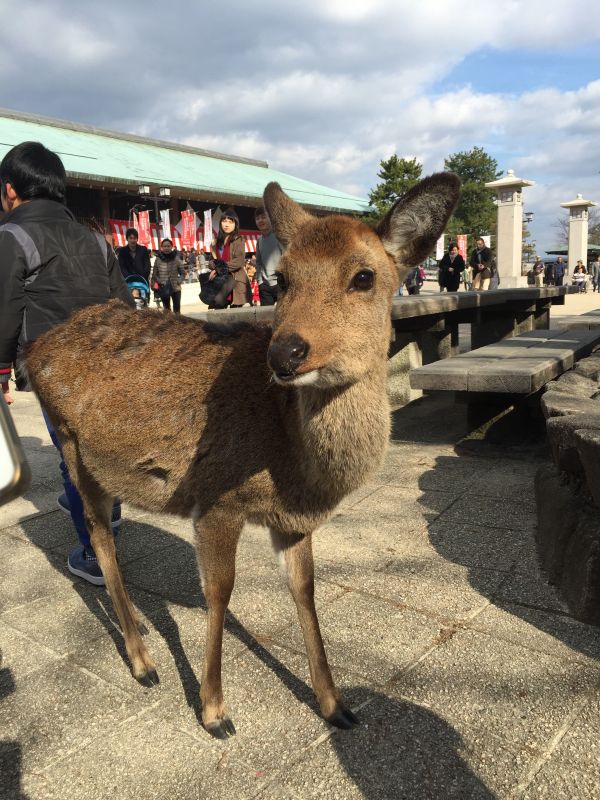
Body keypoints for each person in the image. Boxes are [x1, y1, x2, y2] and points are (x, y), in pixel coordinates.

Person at [0, 141, 135, 585]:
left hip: (56, 368)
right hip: (108, 363)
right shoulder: (96, 239)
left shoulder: (12, 237)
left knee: (74, 457)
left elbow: (4, 309)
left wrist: (0, 371)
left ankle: (95, 554)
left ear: (9, 191)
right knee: (88, 447)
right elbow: (124, 307)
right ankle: (106, 506)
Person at [210, 208, 251, 307]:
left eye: (230, 222)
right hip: (220, 281)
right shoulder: (216, 242)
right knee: (218, 309)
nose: (227, 224)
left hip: (236, 281)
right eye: (224, 221)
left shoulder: (239, 240)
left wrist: (218, 269)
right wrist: (212, 264)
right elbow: (213, 260)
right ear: (220, 223)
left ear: (235, 224)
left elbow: (239, 261)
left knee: (237, 316)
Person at [254, 206, 282, 305]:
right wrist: (260, 281)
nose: (260, 220)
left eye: (263, 217)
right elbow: (258, 262)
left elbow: (286, 258)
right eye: (257, 218)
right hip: (264, 285)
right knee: (265, 318)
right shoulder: (259, 240)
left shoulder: (279, 236)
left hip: (280, 283)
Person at [150, 238, 184, 312]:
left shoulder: (177, 258)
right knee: (166, 310)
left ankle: (177, 323)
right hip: (163, 287)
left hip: (176, 288)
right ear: (161, 247)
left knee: (177, 310)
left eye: (168, 246)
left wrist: (179, 281)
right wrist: (157, 283)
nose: (166, 248)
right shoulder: (158, 259)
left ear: (171, 247)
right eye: (164, 246)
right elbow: (154, 274)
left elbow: (183, 273)